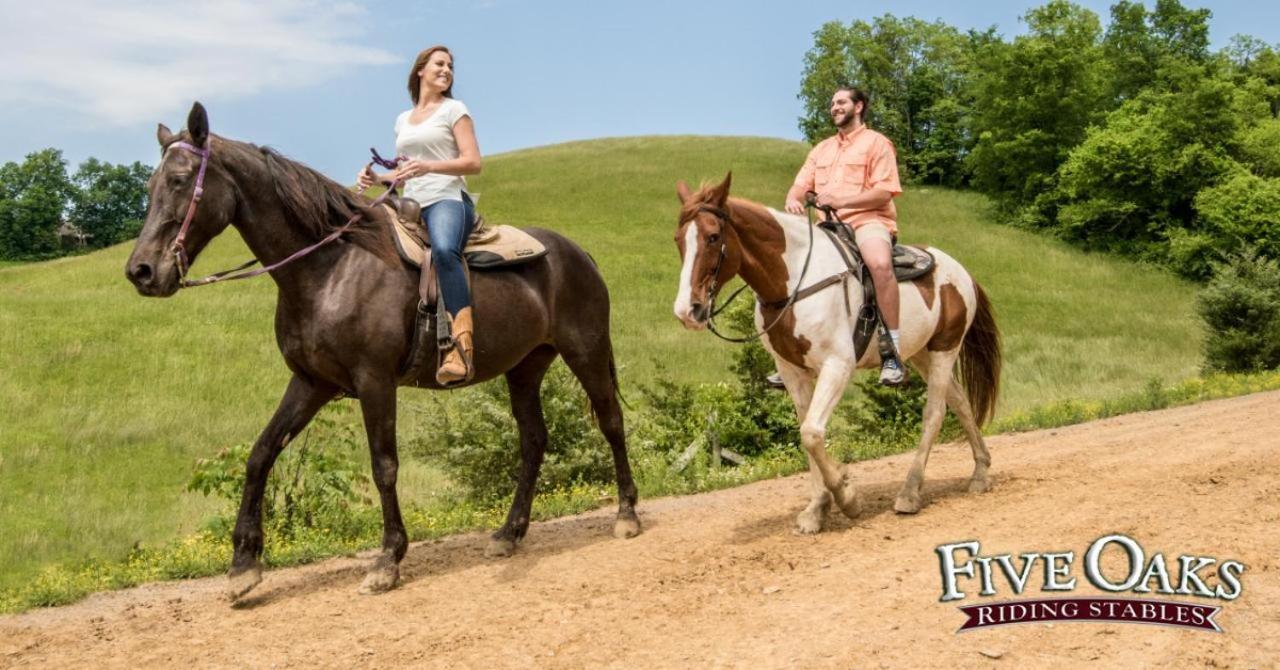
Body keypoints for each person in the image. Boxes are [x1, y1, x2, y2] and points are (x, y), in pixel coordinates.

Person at [358, 45, 483, 384]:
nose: (446, 70)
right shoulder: (403, 119)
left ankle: (460, 348)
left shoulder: (455, 110)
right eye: (439, 64)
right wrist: (379, 178)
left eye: (450, 66)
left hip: (446, 199)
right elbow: (404, 172)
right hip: (409, 205)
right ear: (420, 71)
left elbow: (473, 162)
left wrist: (429, 166)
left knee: (444, 251)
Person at [783, 85, 905, 386]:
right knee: (787, 268)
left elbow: (884, 191)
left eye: (841, 102)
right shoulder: (822, 149)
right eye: (832, 103)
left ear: (859, 106)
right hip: (826, 227)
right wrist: (794, 198)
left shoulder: (877, 144)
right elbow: (800, 184)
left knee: (879, 264)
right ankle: (791, 353)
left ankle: (893, 350)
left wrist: (843, 201)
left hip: (867, 221)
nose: (834, 107)